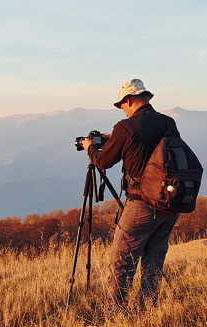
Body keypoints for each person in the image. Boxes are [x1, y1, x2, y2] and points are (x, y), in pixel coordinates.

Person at [81, 79, 180, 310]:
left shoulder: (126, 127)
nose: (122, 111)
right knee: (153, 261)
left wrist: (90, 148)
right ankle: (146, 313)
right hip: (169, 203)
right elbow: (153, 149)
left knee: (122, 263)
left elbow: (104, 161)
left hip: (141, 205)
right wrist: (114, 140)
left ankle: (115, 316)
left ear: (129, 100)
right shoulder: (168, 122)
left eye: (121, 105)